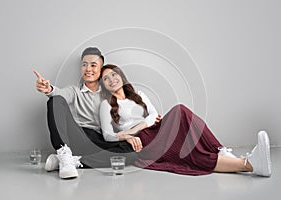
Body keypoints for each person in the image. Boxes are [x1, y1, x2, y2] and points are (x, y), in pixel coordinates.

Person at [99, 64, 272, 177]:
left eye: (114, 74)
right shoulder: (105, 105)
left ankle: (221, 150)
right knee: (189, 153)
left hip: (155, 129)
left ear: (121, 76)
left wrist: (139, 125)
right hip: (144, 141)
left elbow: (153, 115)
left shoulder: (139, 95)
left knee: (180, 110)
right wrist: (129, 134)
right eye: (105, 78)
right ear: (103, 85)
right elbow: (107, 135)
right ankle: (247, 164)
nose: (111, 79)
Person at [33, 47, 138, 179]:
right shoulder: (74, 91)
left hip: (99, 141)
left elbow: (120, 121)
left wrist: (132, 133)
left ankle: (73, 161)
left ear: (101, 69)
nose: (88, 69)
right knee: (55, 100)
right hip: (79, 136)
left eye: (93, 65)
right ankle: (63, 152)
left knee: (132, 153)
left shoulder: (109, 93)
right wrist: (48, 89)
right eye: (84, 65)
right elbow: (58, 94)